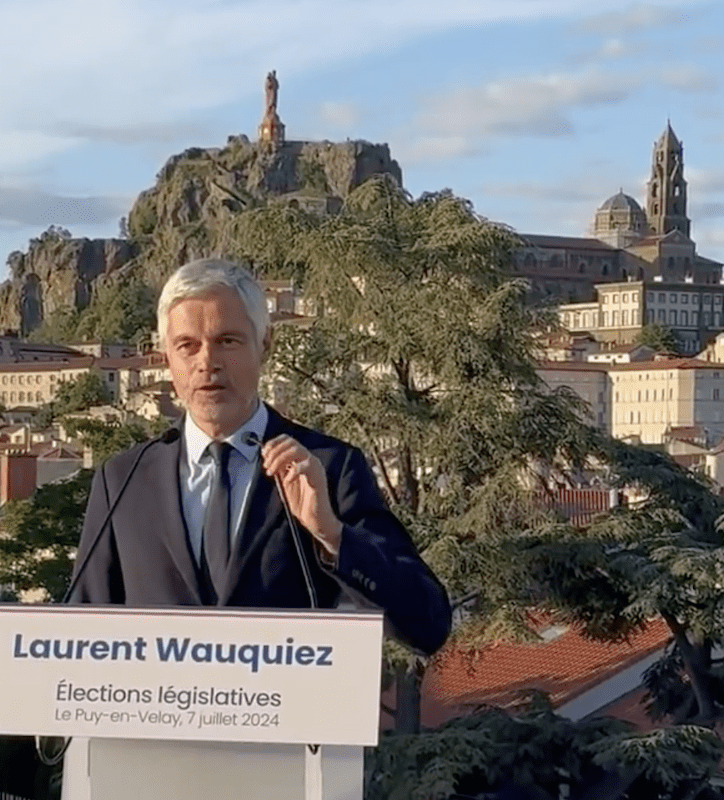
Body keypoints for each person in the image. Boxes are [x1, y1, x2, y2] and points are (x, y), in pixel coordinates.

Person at [68, 258, 451, 657]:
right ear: (166, 358)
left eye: (227, 341)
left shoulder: (329, 468)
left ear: (265, 344)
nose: (207, 362)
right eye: (187, 346)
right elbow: (81, 633)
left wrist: (332, 535)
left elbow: (429, 624)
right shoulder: (123, 480)